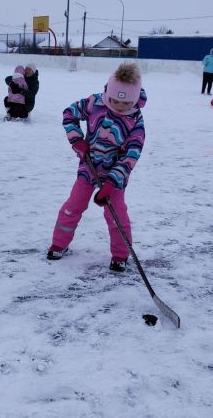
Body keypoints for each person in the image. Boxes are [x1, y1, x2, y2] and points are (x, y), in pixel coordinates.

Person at [47, 62, 146, 273]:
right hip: (88, 169)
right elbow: (69, 113)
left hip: (114, 178)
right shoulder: (95, 103)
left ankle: (120, 255)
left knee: (116, 215)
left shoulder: (136, 121)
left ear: (135, 99)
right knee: (73, 206)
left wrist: (112, 183)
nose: (119, 107)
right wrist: (77, 140)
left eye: (126, 102)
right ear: (107, 92)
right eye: (114, 100)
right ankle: (59, 243)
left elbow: (131, 155)